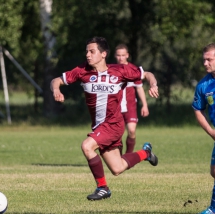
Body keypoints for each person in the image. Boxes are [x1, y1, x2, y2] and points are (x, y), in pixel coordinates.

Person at [51, 36, 159, 201]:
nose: (88, 55)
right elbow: (56, 80)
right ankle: (146, 153)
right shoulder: (82, 71)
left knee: (87, 146)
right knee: (117, 168)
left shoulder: (120, 70)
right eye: (87, 51)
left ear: (103, 54)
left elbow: (148, 74)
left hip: (113, 125)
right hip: (99, 127)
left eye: (92, 51)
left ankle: (102, 188)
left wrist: (153, 84)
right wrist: (56, 90)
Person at [192, 42, 215, 214]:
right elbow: (197, 109)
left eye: (209, 60)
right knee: (214, 171)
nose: (205, 63)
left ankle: (213, 210)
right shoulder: (203, 85)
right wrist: (211, 132)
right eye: (204, 60)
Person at [115, 44, 149, 153]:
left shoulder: (133, 69)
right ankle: (118, 158)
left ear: (127, 55)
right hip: (116, 108)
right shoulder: (111, 70)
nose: (121, 58)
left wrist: (144, 105)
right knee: (117, 135)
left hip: (130, 107)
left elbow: (139, 88)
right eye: (118, 55)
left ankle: (128, 155)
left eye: (123, 55)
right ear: (115, 56)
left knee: (132, 130)